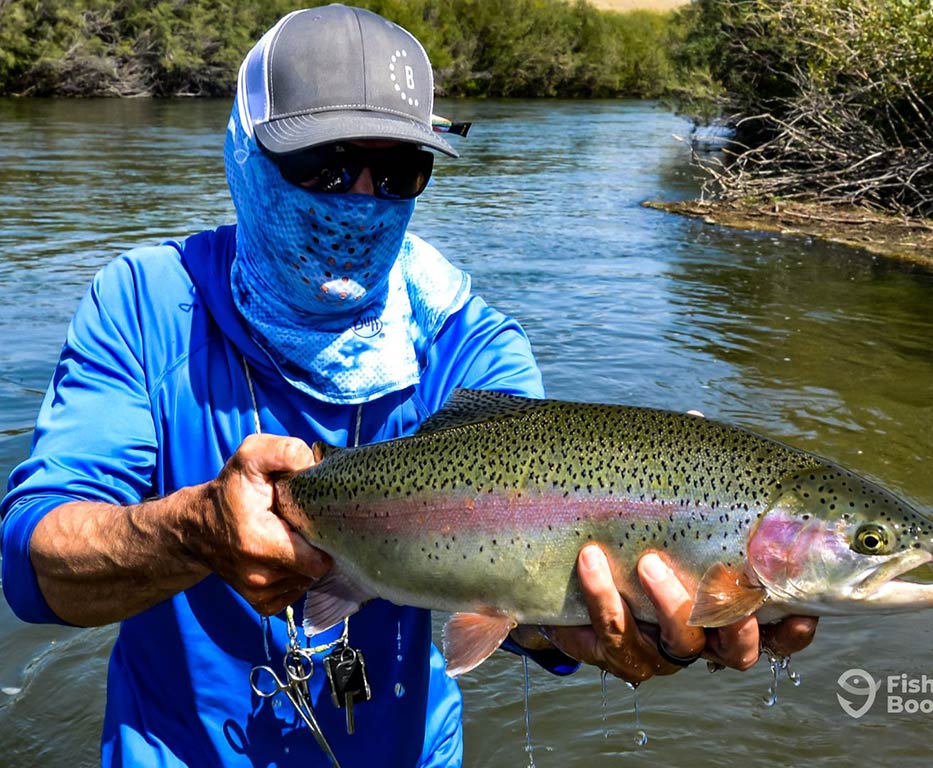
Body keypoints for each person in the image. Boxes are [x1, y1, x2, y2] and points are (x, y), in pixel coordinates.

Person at [0, 4, 817, 766]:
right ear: (244, 153)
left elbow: (523, 606)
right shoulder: (145, 304)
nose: (361, 198)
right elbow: (31, 566)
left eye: (398, 174)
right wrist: (190, 532)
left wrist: (589, 632)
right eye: (327, 164)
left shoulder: (471, 343)